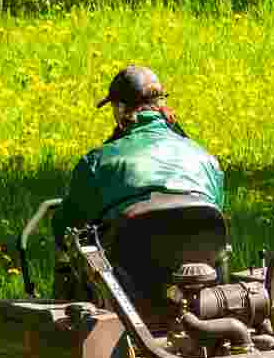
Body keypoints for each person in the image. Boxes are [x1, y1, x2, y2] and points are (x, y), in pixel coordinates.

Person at [48, 65, 224, 292]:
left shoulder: (98, 162)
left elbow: (67, 229)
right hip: (199, 284)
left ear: (121, 109)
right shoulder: (206, 160)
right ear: (160, 104)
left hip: (125, 289)